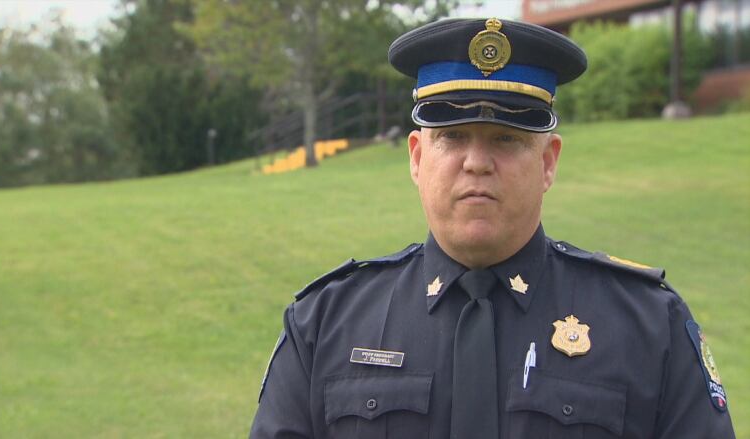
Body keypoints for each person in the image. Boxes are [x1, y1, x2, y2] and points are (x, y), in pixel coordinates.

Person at [249, 17, 736, 439]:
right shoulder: (325, 323)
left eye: (506, 138)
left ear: (548, 163)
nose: (477, 162)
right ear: (417, 158)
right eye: (453, 137)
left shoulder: (648, 326)